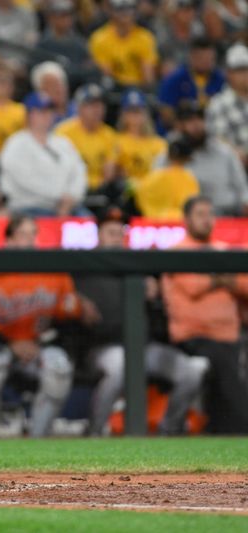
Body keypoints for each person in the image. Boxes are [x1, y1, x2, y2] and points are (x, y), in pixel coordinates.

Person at [75, 207, 209, 436]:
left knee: (192, 371)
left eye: (120, 233)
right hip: (104, 348)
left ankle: (169, 429)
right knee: (120, 366)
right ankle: (95, 432)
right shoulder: (83, 269)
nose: (116, 238)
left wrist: (155, 294)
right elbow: (68, 303)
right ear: (99, 236)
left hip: (144, 348)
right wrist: (78, 303)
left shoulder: (139, 269)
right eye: (110, 232)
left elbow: (162, 318)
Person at [0, 215, 93, 438]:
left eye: (32, 234)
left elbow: (69, 323)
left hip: (39, 346)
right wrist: (13, 343)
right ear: (9, 241)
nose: (28, 240)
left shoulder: (51, 270)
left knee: (59, 367)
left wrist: (41, 342)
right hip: (2, 344)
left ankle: (38, 440)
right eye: (22, 235)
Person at [161, 195, 248, 434]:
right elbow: (193, 285)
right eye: (200, 214)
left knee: (230, 359)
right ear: (187, 219)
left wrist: (218, 279)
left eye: (210, 214)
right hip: (194, 337)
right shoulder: (177, 251)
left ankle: (225, 432)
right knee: (225, 365)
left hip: (230, 336)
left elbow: (244, 285)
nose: (206, 220)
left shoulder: (224, 249)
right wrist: (225, 279)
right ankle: (240, 430)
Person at [0, 92, 88, 216]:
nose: (47, 115)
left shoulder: (62, 142)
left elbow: (79, 171)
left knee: (90, 222)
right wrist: (60, 196)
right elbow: (24, 180)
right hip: (28, 208)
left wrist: (72, 196)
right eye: (42, 111)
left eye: (50, 111)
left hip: (68, 206)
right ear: (29, 115)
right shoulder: (16, 143)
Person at [161, 100, 248, 216]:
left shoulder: (224, 152)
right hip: (183, 219)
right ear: (179, 126)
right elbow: (156, 186)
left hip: (226, 217)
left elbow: (243, 188)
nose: (196, 125)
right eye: (190, 120)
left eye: (200, 119)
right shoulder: (170, 155)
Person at [55, 83, 118, 191]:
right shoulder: (63, 132)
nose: (97, 110)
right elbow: (60, 169)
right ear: (79, 108)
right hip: (70, 187)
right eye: (91, 105)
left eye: (99, 105)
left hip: (99, 189)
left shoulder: (110, 135)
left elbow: (109, 174)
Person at [157, 37, 224, 131]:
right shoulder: (174, 79)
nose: (206, 62)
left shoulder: (220, 79)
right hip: (181, 131)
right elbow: (165, 111)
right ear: (191, 57)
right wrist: (184, 127)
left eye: (210, 58)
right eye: (201, 58)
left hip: (215, 128)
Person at [88, 0, 158, 88]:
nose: (125, 13)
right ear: (111, 11)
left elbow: (148, 76)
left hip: (139, 87)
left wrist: (148, 89)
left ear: (135, 11)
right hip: (114, 88)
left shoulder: (145, 37)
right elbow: (106, 75)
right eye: (120, 9)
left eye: (129, 9)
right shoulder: (99, 38)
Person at [135, 134, 199, 220]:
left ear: (168, 156)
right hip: (178, 224)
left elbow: (140, 199)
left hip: (152, 225)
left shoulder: (152, 177)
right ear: (187, 159)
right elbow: (190, 204)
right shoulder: (187, 178)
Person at [206, 43, 248, 167]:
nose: (246, 75)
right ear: (229, 74)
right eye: (240, 71)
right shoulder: (218, 104)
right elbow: (219, 143)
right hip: (238, 169)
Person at [115, 89, 167, 183]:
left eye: (138, 111)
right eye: (131, 111)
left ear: (145, 114)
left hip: (152, 188)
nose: (135, 116)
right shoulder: (116, 141)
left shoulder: (159, 143)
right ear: (124, 115)